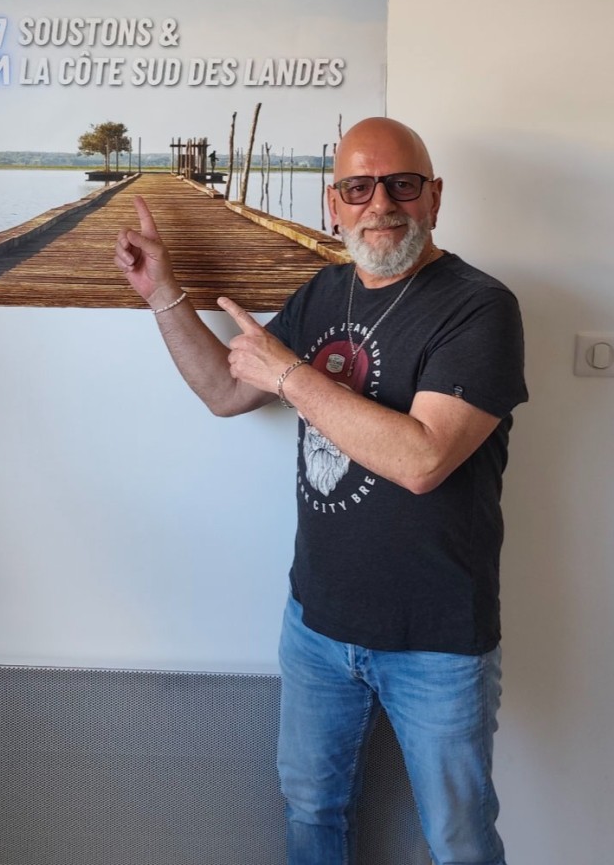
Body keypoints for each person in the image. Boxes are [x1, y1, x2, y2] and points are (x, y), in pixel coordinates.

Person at [113, 117, 528, 865]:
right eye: (358, 188)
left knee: (459, 840)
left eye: (402, 184)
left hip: (435, 639)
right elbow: (224, 392)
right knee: (311, 809)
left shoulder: (479, 306)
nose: (381, 204)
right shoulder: (324, 293)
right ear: (331, 205)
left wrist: (288, 374)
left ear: (434, 197)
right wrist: (164, 294)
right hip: (316, 626)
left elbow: (424, 459)